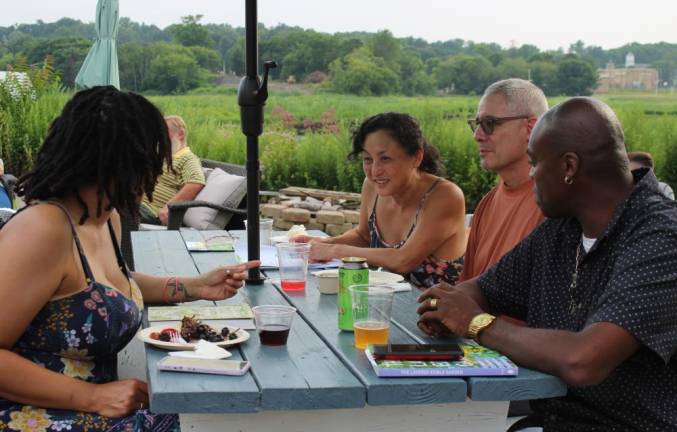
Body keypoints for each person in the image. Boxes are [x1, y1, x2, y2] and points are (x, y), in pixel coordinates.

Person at [0, 86, 259, 432]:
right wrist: (90, 398)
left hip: (98, 406)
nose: (152, 174)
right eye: (146, 161)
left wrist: (194, 286)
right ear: (111, 162)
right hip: (32, 413)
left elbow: (107, 287)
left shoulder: (106, 218)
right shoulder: (44, 228)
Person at [417, 97, 677, 431]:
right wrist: (443, 309)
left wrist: (475, 323)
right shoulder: (561, 228)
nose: (530, 174)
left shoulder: (660, 238)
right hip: (549, 420)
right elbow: (482, 289)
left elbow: (584, 361)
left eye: (534, 163)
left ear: (569, 167)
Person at [303, 112, 467, 288]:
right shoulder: (372, 187)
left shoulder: (444, 196)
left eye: (385, 158)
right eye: (367, 159)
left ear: (417, 157)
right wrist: (320, 245)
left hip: (436, 310)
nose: (375, 171)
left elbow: (404, 259)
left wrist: (335, 250)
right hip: (383, 303)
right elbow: (364, 236)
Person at [460, 79, 548, 282]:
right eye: (476, 124)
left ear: (530, 127)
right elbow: (465, 292)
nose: (477, 136)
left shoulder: (553, 207)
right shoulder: (487, 204)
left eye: (489, 124)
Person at [139, 115, 205, 225]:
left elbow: (196, 182)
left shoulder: (187, 158)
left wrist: (169, 207)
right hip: (135, 204)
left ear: (181, 134)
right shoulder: (163, 157)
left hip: (149, 212)